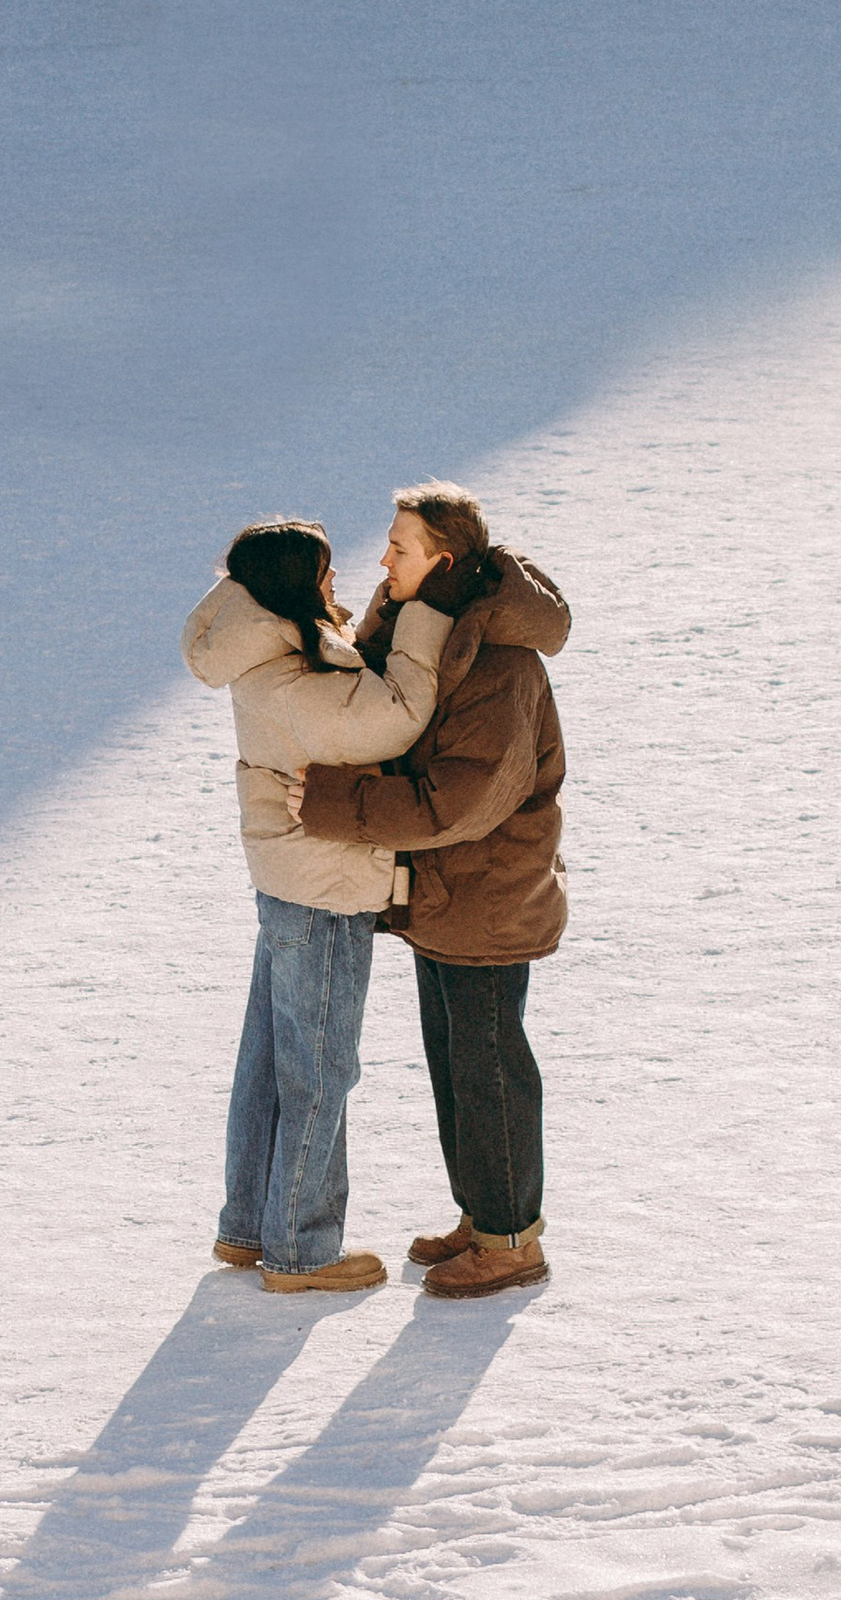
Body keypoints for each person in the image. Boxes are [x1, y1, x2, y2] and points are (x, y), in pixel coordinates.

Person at [295, 485, 569, 1301]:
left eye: (399, 549)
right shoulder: (429, 631)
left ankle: (511, 1241)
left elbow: (461, 801)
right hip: (447, 895)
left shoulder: (500, 665)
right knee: (455, 1066)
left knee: (489, 1071)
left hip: (488, 896)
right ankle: (483, 1216)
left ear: (443, 561)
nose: (382, 560)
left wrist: (334, 803)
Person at [183, 518, 459, 1291]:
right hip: (323, 884)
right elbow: (397, 714)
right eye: (324, 572)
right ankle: (303, 1248)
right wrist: (425, 615)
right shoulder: (290, 678)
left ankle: (250, 1224)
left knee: (271, 1062)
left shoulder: (266, 648)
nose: (336, 582)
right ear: (291, 584)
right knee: (319, 1068)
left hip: (291, 879)